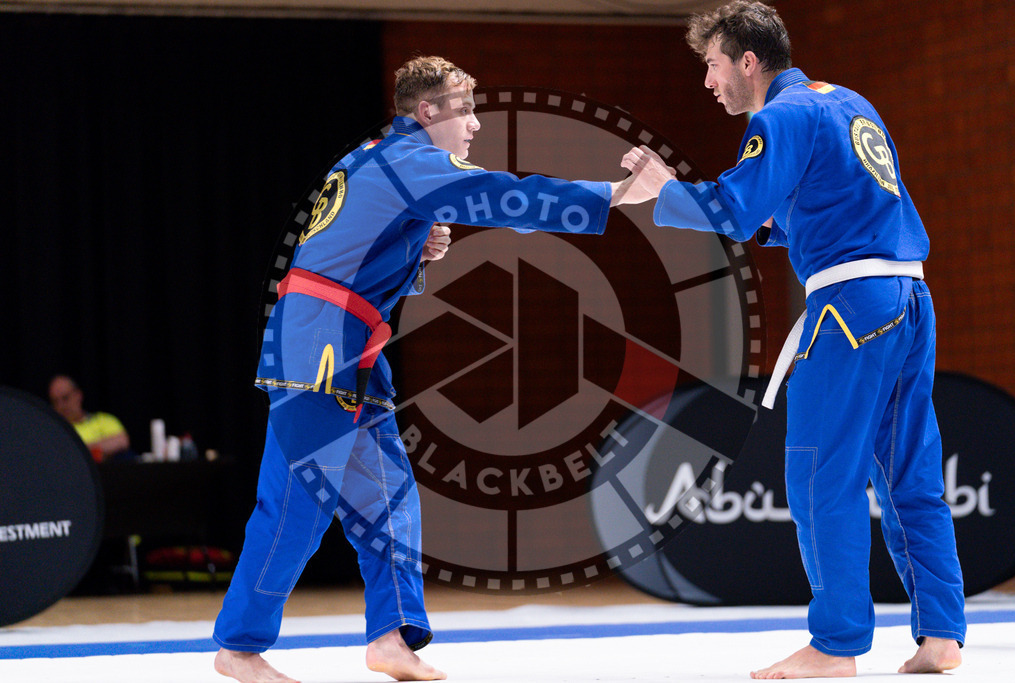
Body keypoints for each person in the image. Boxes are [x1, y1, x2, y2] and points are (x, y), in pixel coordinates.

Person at [213, 55, 641, 683]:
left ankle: (390, 639)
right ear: (427, 112)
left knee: (387, 498)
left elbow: (346, 246)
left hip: (348, 343)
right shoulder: (410, 160)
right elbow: (502, 195)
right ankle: (239, 648)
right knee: (298, 503)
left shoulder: (370, 157)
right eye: (463, 110)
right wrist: (612, 194)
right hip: (320, 346)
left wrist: (415, 247)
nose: (474, 125)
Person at [619, 1, 966, 678]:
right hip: (908, 298)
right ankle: (941, 635)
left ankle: (836, 646)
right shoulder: (848, 103)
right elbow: (820, 204)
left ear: (748, 62)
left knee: (820, 474)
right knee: (910, 473)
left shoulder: (780, 117)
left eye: (713, 65)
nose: (708, 81)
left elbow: (734, 209)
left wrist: (665, 188)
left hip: (850, 309)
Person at [47, 374, 132, 462]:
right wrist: (97, 450)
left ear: (78, 395)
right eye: (55, 402)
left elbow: (122, 441)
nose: (61, 406)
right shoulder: (54, 431)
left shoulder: (103, 420)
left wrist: (79, 451)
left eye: (65, 398)